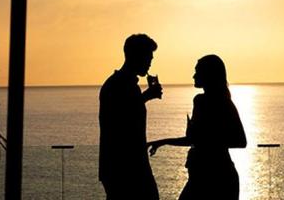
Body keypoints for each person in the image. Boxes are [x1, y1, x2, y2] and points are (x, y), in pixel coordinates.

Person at [148, 54, 247, 200]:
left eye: (197, 71)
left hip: (214, 177)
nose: (194, 76)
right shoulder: (215, 101)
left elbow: (240, 141)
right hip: (211, 175)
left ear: (208, 74)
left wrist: (205, 141)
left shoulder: (211, 102)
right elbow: (195, 139)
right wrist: (162, 142)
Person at [99, 33, 163, 200]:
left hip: (123, 166)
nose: (150, 62)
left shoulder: (121, 84)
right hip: (125, 167)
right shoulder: (119, 85)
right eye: (148, 57)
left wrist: (145, 97)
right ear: (136, 56)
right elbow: (120, 121)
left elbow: (125, 111)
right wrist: (146, 97)